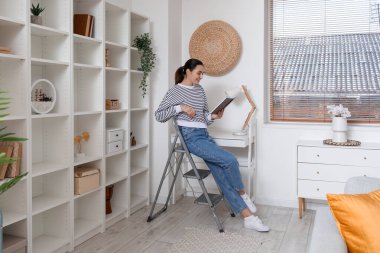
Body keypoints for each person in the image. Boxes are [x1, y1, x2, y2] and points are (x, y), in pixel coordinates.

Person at [155, 58, 269, 232]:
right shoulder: (175, 92)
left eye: (203, 73)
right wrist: (181, 108)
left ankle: (249, 218)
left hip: (204, 135)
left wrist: (213, 117)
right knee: (230, 160)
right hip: (191, 138)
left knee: (222, 176)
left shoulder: (199, 90)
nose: (201, 77)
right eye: (199, 73)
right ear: (187, 71)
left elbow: (203, 117)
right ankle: (242, 194)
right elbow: (159, 115)